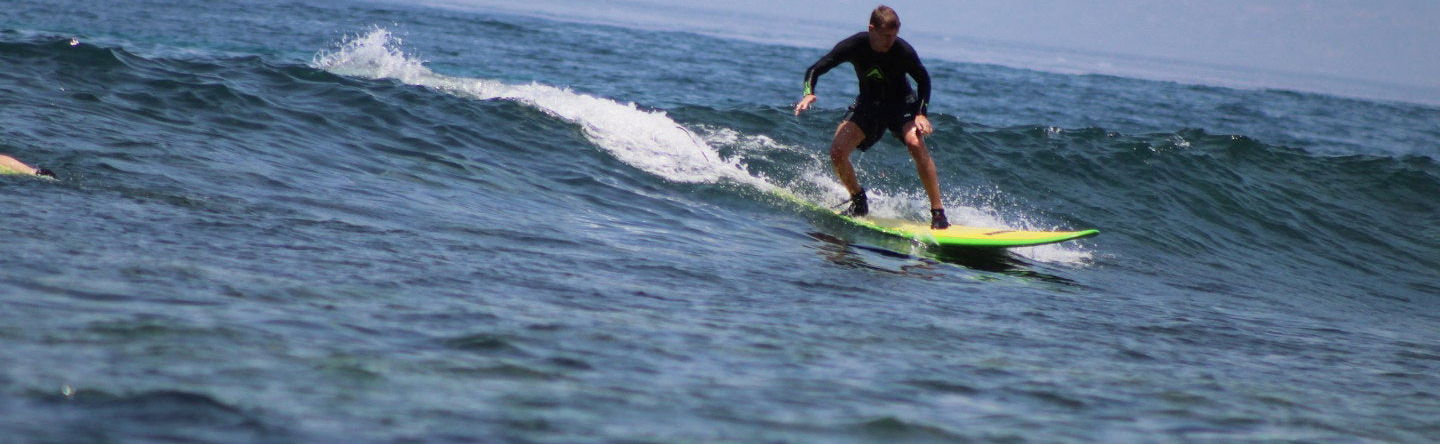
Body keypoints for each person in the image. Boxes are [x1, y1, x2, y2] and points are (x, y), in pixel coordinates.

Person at [794, 5, 949, 229]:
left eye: (894, 36)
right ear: (871, 29)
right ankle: (859, 200)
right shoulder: (855, 45)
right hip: (869, 105)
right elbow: (816, 68)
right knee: (837, 152)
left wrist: (921, 114)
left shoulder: (902, 51)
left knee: (915, 142)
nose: (890, 41)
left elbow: (923, 79)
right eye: (886, 36)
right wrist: (809, 93)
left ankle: (938, 212)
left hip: (901, 105)